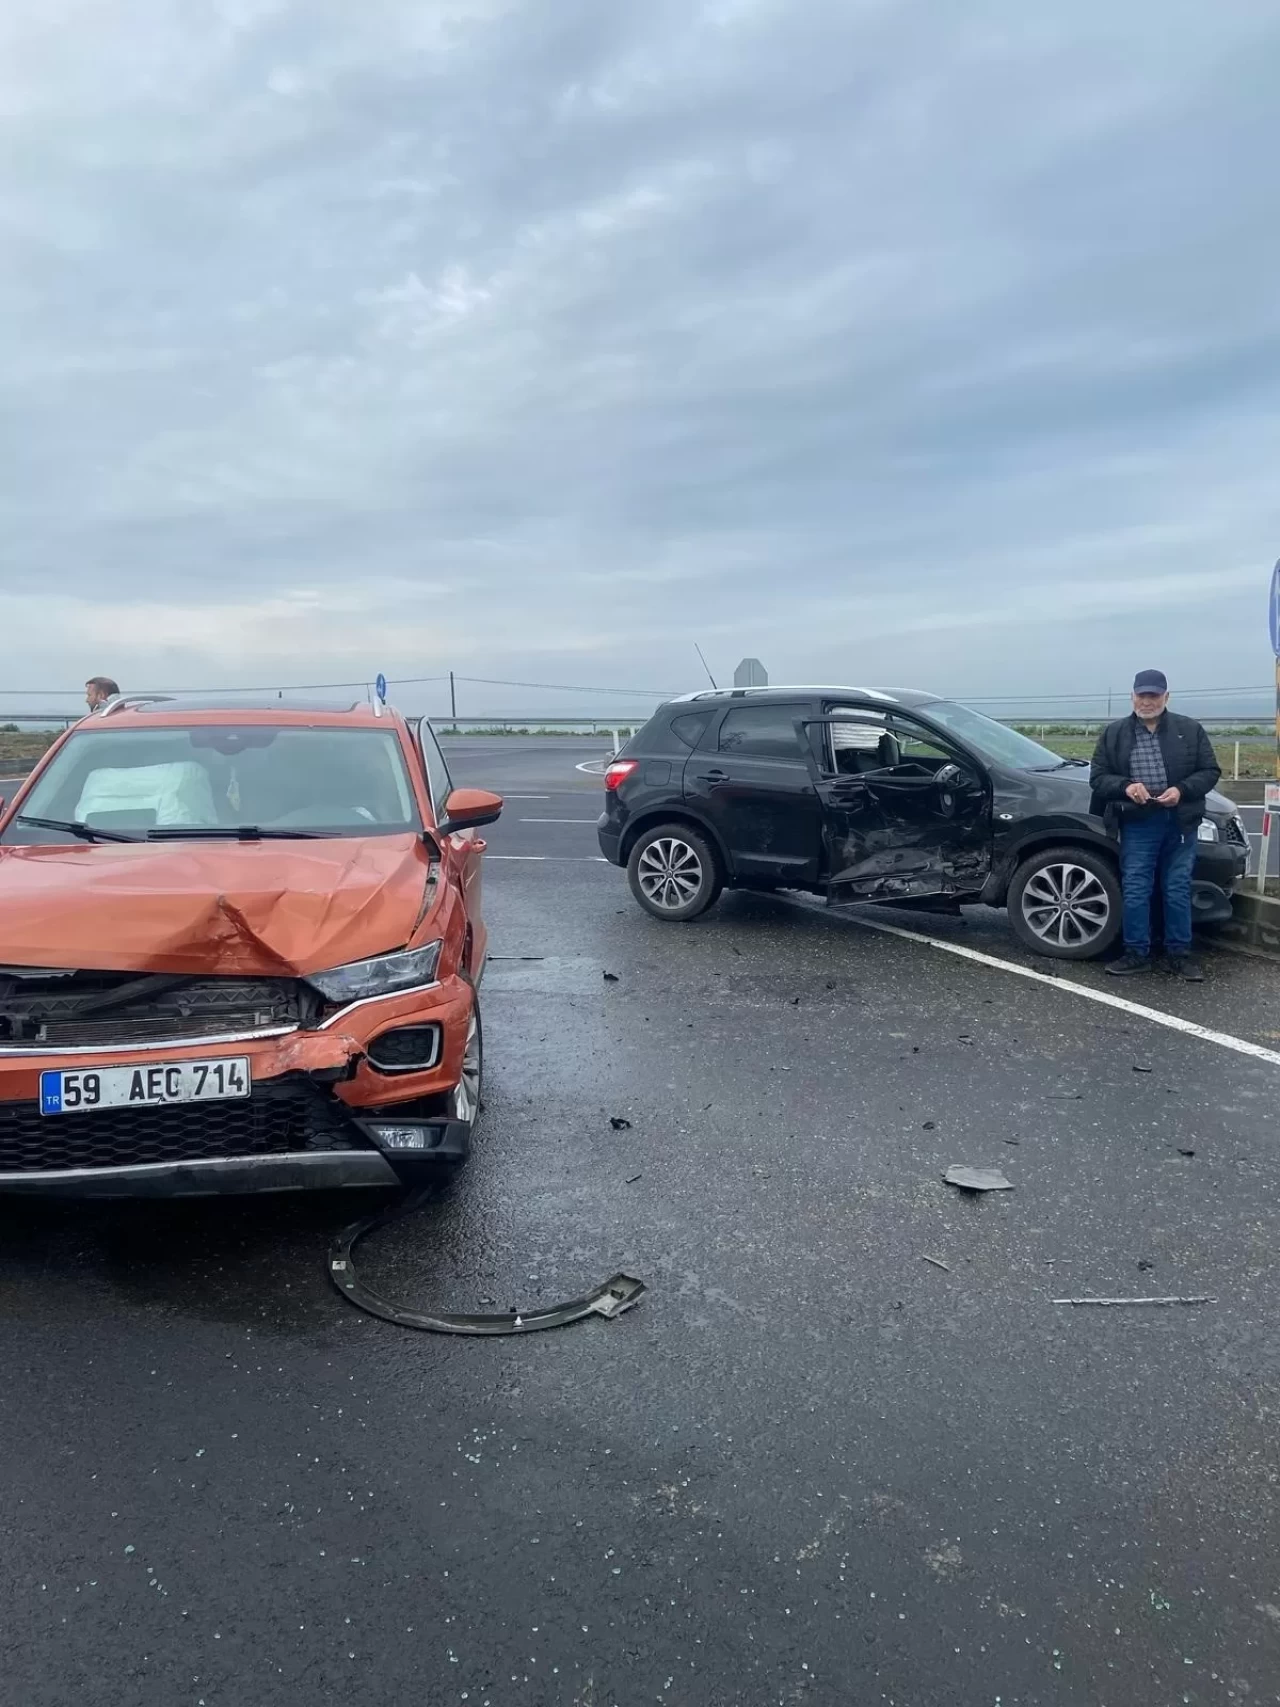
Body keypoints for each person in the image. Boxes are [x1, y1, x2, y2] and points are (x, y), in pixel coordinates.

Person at [1089, 669, 1220, 980]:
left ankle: (1179, 955)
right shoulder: (1115, 733)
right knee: (1136, 887)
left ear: (1166, 697)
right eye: (1142, 695)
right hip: (1138, 821)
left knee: (1176, 888)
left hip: (1180, 821)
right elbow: (1098, 777)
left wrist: (1182, 791)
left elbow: (1210, 771)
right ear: (1133, 696)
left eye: (1154, 696)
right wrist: (1126, 787)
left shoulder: (1189, 730)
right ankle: (1136, 952)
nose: (1147, 701)